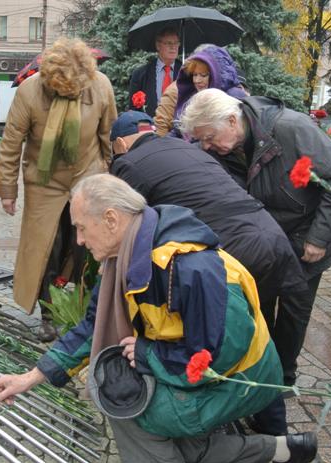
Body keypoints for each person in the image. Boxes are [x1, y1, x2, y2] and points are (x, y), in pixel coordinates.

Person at [0, 174, 319, 463]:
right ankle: (285, 449)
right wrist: (31, 377)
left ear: (110, 219)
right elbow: (91, 327)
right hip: (208, 372)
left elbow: (219, 354)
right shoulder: (130, 252)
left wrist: (149, 354)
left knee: (120, 393)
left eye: (80, 227)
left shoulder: (189, 266)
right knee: (175, 443)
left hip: (242, 379)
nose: (78, 239)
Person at [109, 110, 307, 435]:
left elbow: (128, 228)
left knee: (223, 343)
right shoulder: (186, 148)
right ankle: (278, 437)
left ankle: (230, 438)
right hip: (271, 235)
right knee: (259, 337)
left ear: (119, 144)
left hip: (234, 247)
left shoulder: (128, 165)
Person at [180, 89, 331, 387]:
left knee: (293, 308)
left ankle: (283, 379)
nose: (206, 146)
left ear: (233, 121)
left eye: (209, 137)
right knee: (257, 303)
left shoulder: (291, 129)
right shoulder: (225, 147)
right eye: (202, 140)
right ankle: (262, 371)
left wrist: (318, 237)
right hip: (269, 238)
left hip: (308, 238)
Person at [0, 38, 117, 342]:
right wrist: (7, 189)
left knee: (88, 248)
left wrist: (113, 178)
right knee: (45, 251)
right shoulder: (30, 90)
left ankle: (89, 313)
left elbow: (110, 136)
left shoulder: (100, 85)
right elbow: (11, 144)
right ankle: (49, 315)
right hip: (43, 180)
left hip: (87, 177)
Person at [154, 45, 246, 137]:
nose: (197, 80)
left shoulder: (233, 96)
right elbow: (178, 131)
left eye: (203, 75)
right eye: (195, 75)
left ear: (216, 75)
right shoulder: (191, 96)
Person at [128, 27, 182, 116]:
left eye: (176, 43)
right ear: (158, 45)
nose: (173, 47)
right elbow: (133, 110)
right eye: (168, 43)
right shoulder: (140, 74)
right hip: (150, 126)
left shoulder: (186, 73)